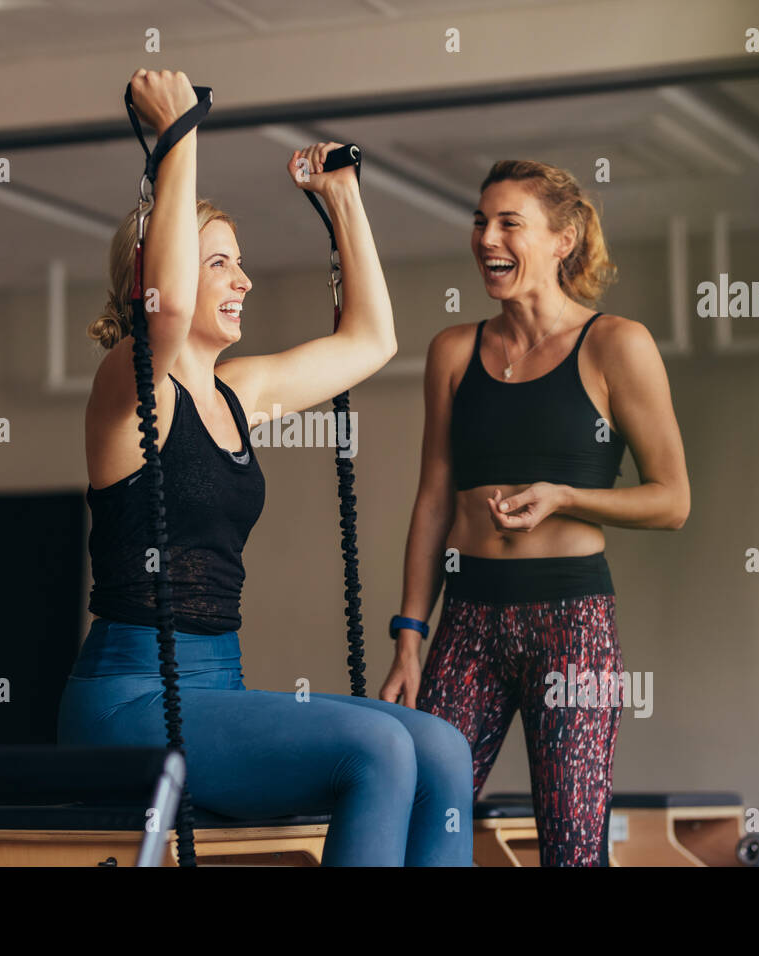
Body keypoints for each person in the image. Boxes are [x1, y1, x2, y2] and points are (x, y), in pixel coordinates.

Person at [57, 69, 474, 866]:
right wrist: (180, 138)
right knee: (377, 752)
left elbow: (370, 344)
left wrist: (343, 199)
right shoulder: (127, 383)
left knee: (442, 750)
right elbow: (166, 310)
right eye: (220, 263)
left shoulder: (236, 393)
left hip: (215, 687)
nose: (243, 279)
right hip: (132, 699)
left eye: (237, 262)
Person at [379, 159, 690, 866]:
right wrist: (408, 635)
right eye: (480, 221)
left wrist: (565, 496)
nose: (487, 236)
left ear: (563, 238)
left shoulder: (617, 344)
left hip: (572, 624)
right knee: (419, 821)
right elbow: (433, 498)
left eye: (508, 223)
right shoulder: (453, 353)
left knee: (573, 850)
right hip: (467, 620)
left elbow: (673, 499)